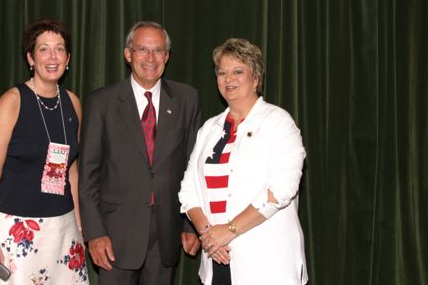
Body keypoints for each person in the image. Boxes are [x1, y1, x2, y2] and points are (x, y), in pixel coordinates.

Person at [78, 21, 202, 285]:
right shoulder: (102, 102)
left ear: (167, 57)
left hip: (166, 237)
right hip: (114, 236)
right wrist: (95, 233)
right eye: (142, 50)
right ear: (128, 54)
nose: (150, 58)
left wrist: (191, 225)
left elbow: (195, 167)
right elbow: (88, 174)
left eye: (158, 51)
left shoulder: (187, 99)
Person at [178, 38, 308, 285]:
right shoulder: (209, 129)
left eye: (238, 72)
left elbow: (280, 190)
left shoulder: (279, 122)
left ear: (256, 79)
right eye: (222, 72)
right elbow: (188, 191)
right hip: (217, 260)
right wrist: (209, 236)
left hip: (267, 263)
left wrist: (228, 231)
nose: (229, 79)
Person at [0, 19, 88, 284]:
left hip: (63, 231)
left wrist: (80, 227)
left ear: (68, 58)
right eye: (44, 49)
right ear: (30, 58)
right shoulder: (11, 102)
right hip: (18, 232)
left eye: (59, 49)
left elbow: (72, 171)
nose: (52, 56)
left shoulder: (73, 103)